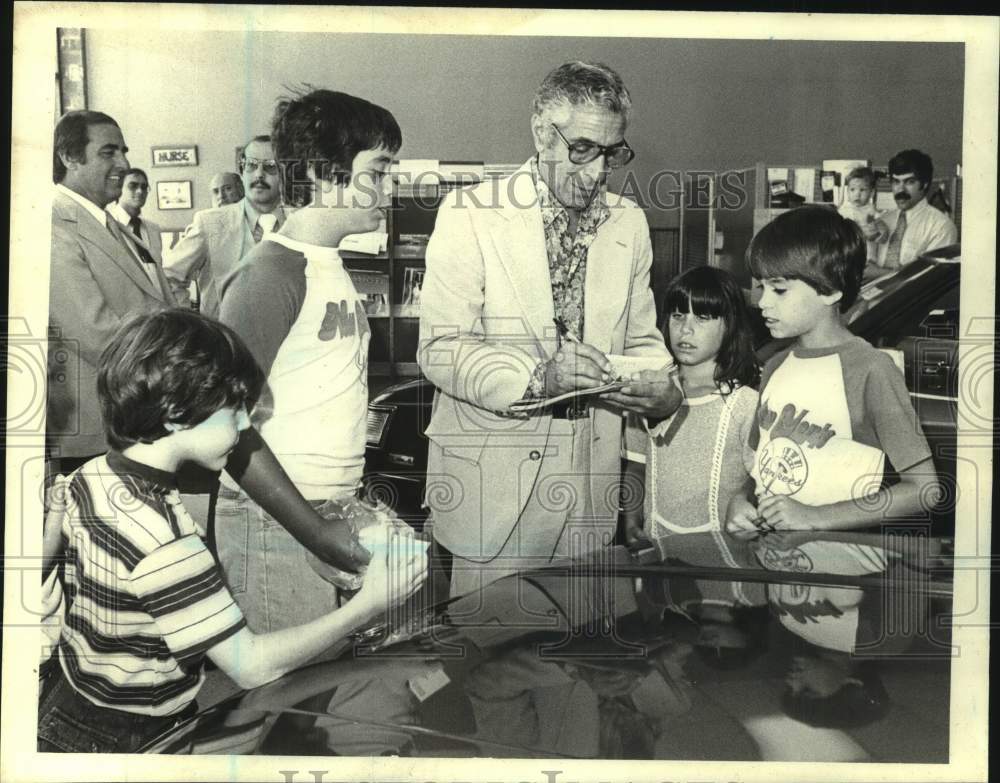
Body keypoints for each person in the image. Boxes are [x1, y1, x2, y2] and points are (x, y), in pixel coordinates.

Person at [36, 309, 427, 754]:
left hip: (70, 702)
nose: (245, 426)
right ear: (177, 416)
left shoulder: (90, 476)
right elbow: (250, 666)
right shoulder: (166, 542)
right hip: (128, 736)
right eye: (234, 410)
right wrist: (370, 604)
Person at [418, 61, 682, 598]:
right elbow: (442, 347)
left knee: (575, 669)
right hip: (494, 494)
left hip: (591, 489)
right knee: (492, 669)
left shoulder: (627, 222)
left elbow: (642, 342)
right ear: (541, 131)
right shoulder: (471, 212)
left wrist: (662, 391)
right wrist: (540, 380)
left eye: (612, 153)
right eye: (582, 149)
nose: (597, 171)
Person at [216, 88, 402, 632]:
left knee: (321, 698)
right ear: (324, 172)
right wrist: (315, 531)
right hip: (274, 521)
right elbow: (225, 425)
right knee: (287, 707)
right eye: (379, 170)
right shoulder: (269, 276)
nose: (390, 188)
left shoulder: (329, 265)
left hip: (321, 510)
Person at [727, 205, 939, 536]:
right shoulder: (774, 366)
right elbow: (760, 469)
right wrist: (741, 501)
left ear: (831, 290)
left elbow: (923, 490)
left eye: (779, 289)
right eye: (761, 287)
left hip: (844, 574)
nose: (762, 302)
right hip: (781, 565)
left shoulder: (871, 370)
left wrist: (816, 516)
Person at [48, 110, 178, 473]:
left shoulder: (107, 221)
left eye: (123, 151)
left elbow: (153, 303)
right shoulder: (53, 222)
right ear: (70, 157)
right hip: (97, 422)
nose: (123, 163)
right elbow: (97, 333)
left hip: (132, 413)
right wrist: (181, 363)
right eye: (108, 152)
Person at [162, 136, 286, 317]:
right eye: (251, 165)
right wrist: (193, 324)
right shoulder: (209, 223)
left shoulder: (301, 223)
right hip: (227, 340)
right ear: (242, 172)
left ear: (284, 174)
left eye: (270, 167)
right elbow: (169, 278)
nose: (259, 174)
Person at [867, 148, 958, 279]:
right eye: (896, 181)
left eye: (909, 182)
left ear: (925, 184)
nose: (900, 189)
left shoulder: (941, 228)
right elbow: (867, 265)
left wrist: (879, 274)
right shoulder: (883, 220)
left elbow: (930, 280)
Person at [107, 167, 165, 265]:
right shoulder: (106, 224)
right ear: (119, 189)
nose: (140, 191)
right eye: (132, 186)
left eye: (144, 187)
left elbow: (157, 268)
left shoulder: (153, 229)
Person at [836, 167, 885, 263]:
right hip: (848, 249)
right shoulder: (844, 210)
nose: (857, 194)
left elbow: (881, 226)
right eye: (852, 189)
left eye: (862, 190)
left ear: (871, 193)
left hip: (867, 250)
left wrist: (880, 234)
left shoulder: (870, 210)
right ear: (847, 191)